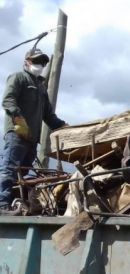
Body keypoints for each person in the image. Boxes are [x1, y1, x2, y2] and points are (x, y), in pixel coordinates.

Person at [0, 48, 67, 209]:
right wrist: (18, 118)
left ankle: (16, 203)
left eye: (43, 62)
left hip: (32, 139)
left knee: (23, 174)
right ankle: (2, 203)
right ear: (27, 61)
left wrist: (64, 127)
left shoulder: (41, 87)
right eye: (36, 61)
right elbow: (8, 100)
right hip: (17, 134)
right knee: (9, 169)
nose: (40, 65)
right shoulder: (19, 77)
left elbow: (49, 116)